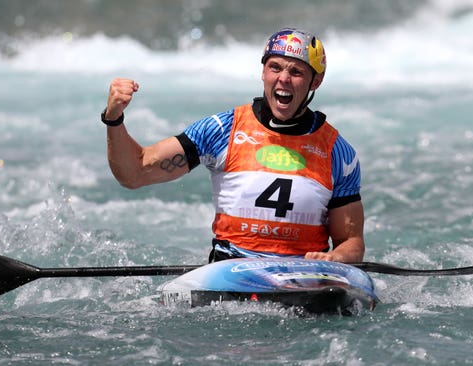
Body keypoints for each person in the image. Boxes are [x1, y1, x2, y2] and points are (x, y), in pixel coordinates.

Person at [100, 28, 364, 263]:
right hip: (233, 267)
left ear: (315, 82)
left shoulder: (337, 152)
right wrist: (114, 119)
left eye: (296, 72)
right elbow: (135, 173)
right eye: (275, 67)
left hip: (301, 274)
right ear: (263, 72)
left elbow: (350, 242)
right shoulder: (222, 129)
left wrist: (334, 258)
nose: (283, 78)